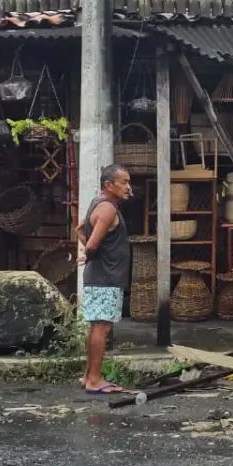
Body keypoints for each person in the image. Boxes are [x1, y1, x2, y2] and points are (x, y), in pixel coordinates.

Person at [77, 164, 133, 395]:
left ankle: (89, 376)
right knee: (102, 328)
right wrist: (87, 255)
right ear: (108, 185)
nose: (128, 187)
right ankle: (94, 380)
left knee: (96, 327)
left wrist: (89, 255)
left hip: (100, 276)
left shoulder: (97, 204)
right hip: (106, 277)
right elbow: (91, 244)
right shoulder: (108, 209)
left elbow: (79, 229)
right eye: (123, 182)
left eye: (128, 182)